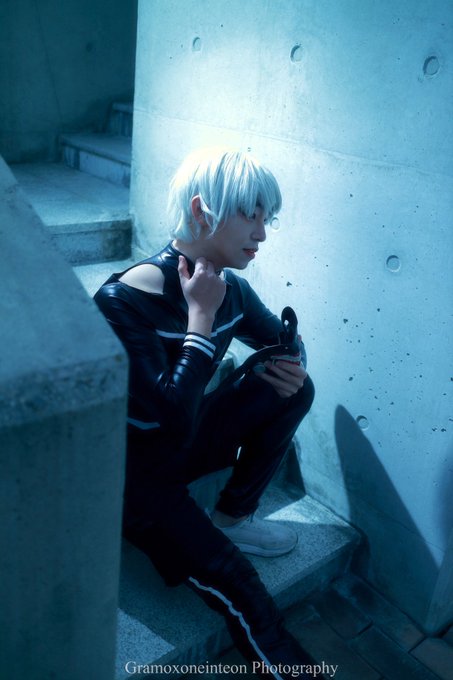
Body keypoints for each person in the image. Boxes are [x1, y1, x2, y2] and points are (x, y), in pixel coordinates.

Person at [94, 148, 315, 678]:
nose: (262, 233)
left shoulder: (230, 289)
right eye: (251, 215)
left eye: (267, 218)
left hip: (187, 442)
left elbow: (285, 343)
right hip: (136, 477)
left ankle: (233, 517)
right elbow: (169, 419)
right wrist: (200, 318)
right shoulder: (121, 300)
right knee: (242, 588)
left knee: (294, 389)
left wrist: (291, 365)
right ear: (202, 211)